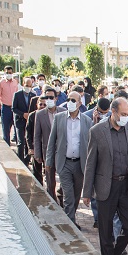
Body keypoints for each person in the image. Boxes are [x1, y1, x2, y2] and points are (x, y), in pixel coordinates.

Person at [82, 97, 128, 255]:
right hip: (106, 186)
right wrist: (86, 192)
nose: (126, 117)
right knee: (105, 232)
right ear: (113, 112)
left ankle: (114, 254)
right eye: (123, 114)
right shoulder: (97, 131)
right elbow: (91, 163)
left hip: (125, 186)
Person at [47, 89, 93, 228]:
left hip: (80, 164)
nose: (70, 102)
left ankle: (70, 220)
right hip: (64, 163)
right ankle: (70, 225)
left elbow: (91, 144)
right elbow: (52, 141)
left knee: (76, 195)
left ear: (79, 103)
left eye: (73, 100)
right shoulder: (59, 118)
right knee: (68, 196)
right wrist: (49, 161)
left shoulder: (87, 121)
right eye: (68, 100)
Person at [33, 90, 60, 202]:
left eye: (51, 97)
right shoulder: (40, 114)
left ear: (56, 98)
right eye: (46, 97)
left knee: (65, 181)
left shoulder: (63, 112)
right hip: (47, 152)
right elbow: (37, 135)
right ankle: (52, 202)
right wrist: (37, 154)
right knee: (50, 181)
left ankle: (62, 199)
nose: (49, 100)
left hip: (62, 152)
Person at [12, 77, 36, 164]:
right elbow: (14, 108)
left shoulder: (33, 95)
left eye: (30, 86)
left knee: (28, 141)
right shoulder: (17, 95)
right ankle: (20, 160)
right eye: (26, 85)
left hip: (29, 122)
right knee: (21, 142)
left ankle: (27, 160)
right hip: (19, 121)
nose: (28, 87)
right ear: (23, 84)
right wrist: (23, 114)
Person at [0, 66, 18, 143]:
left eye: (10, 73)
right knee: (6, 130)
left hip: (14, 108)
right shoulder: (1, 83)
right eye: (7, 73)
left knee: (17, 128)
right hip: (5, 108)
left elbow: (17, 95)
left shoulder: (15, 82)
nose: (9, 74)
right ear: (4, 73)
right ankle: (7, 146)